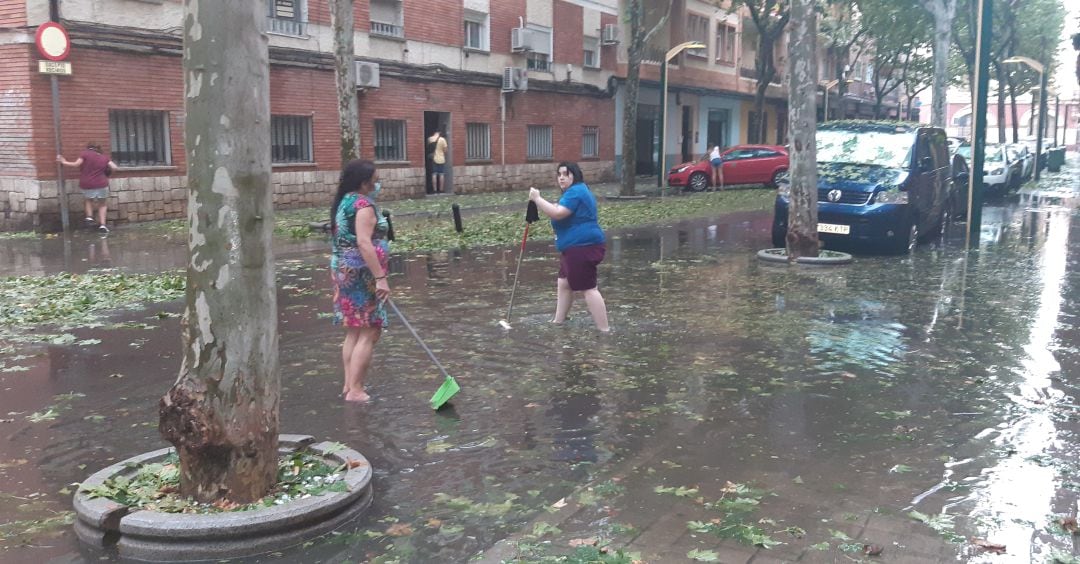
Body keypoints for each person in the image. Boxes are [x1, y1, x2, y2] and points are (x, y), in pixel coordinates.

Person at [330, 159, 391, 402]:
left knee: (354, 331)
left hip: (344, 270)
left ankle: (348, 384)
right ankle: (356, 389)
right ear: (364, 183)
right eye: (375, 181)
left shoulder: (344, 201)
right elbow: (364, 243)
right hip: (362, 274)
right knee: (369, 331)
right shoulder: (363, 205)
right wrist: (380, 278)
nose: (377, 185)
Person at [528, 162, 610, 332]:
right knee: (564, 283)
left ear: (575, 175)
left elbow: (558, 213)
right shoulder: (575, 192)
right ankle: (558, 322)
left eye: (566, 174)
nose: (562, 178)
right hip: (574, 247)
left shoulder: (577, 191)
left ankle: (605, 330)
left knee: (589, 288)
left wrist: (537, 199)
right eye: (559, 174)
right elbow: (559, 209)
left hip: (582, 246)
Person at [57, 143, 116, 233]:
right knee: (102, 204)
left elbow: (76, 164)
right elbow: (115, 167)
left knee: (88, 200)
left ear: (89, 147)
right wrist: (107, 174)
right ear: (98, 149)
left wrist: (64, 162)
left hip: (87, 182)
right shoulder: (104, 157)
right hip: (102, 183)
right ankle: (103, 225)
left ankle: (89, 217)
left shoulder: (85, 154)